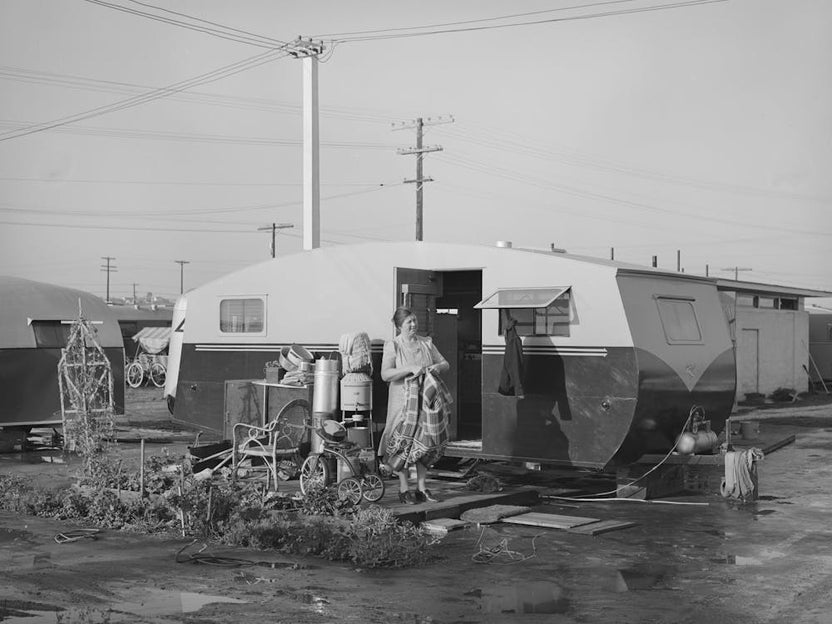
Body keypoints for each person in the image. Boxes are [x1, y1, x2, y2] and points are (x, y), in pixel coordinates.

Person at [379, 307, 451, 504]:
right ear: (399, 326)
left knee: (425, 443)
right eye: (409, 322)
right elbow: (385, 374)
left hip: (425, 402)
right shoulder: (393, 345)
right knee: (404, 443)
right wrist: (409, 369)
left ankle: (422, 487)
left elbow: (445, 363)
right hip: (402, 402)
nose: (413, 324)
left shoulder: (426, 343)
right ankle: (404, 489)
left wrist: (437, 367)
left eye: (414, 320)